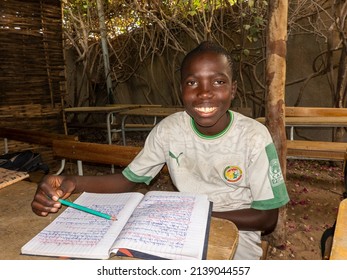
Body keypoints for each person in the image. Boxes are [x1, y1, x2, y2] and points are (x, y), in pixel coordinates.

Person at [31, 41, 289, 260]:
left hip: (235, 234)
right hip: (177, 233)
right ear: (181, 90)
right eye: (192, 82)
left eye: (218, 81)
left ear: (233, 89)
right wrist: (71, 181)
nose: (204, 93)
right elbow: (126, 180)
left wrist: (194, 217)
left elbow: (266, 218)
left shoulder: (253, 137)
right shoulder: (169, 130)